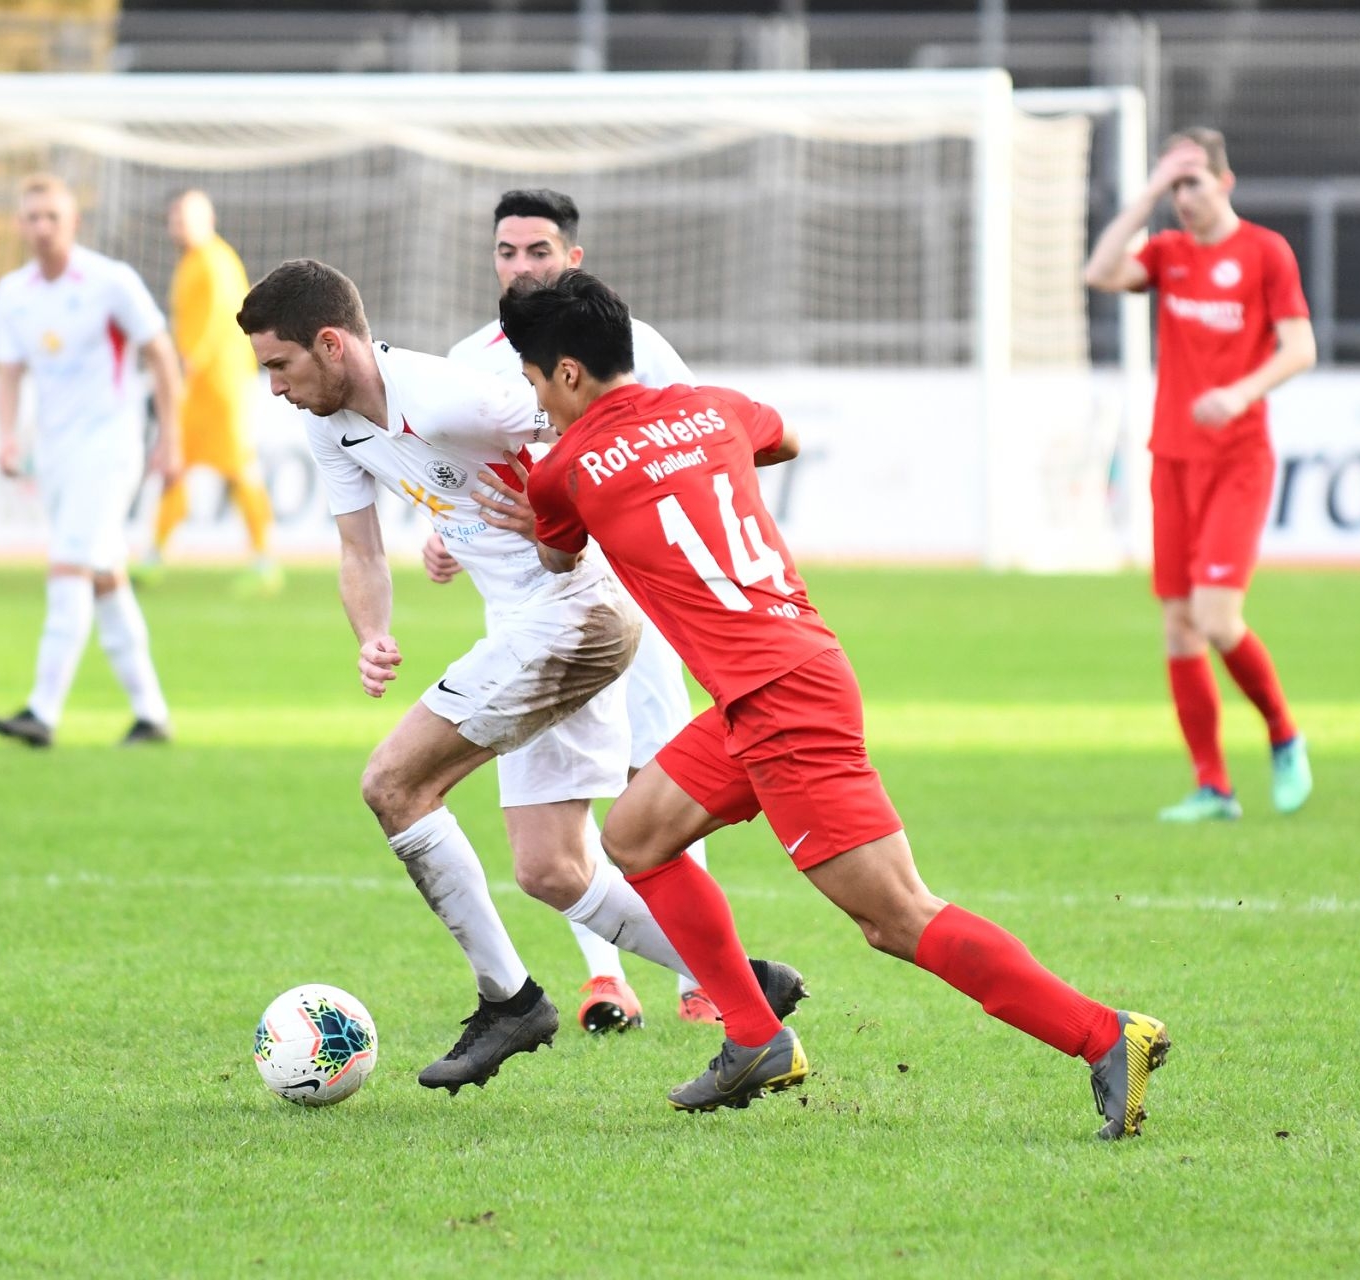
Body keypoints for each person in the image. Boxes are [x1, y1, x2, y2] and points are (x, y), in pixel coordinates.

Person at [477, 270, 1167, 1134]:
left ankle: (1107, 1034)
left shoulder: (565, 469)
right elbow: (786, 440)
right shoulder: (715, 406)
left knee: (895, 915)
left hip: (779, 705)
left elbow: (555, 557)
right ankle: (755, 1037)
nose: (537, 402)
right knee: (634, 836)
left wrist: (529, 514)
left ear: (569, 372)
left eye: (536, 383)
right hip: (782, 676)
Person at [233, 259, 802, 1094]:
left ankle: (511, 1000)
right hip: (536, 626)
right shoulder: (333, 422)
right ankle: (741, 987)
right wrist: (373, 632)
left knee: (394, 784)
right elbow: (358, 547)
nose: (274, 388)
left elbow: (596, 420)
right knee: (552, 869)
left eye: (280, 366)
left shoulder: (453, 396)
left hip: (573, 610)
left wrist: (556, 502)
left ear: (331, 344)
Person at [437, 188, 717, 1032]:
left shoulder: (633, 347)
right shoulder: (465, 360)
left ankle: (697, 979)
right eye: (507, 252)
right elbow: (457, 474)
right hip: (528, 612)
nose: (521, 267)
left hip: (629, 595)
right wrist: (445, 536)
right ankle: (605, 977)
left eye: (538, 252)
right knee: (561, 793)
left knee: (656, 776)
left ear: (572, 259)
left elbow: (692, 444)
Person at [1084, 126, 1316, 822]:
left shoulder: (1265, 252)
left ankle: (1282, 732)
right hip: (1173, 458)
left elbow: (1301, 345)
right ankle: (1213, 786)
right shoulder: (1168, 254)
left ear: (1225, 181)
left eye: (1192, 182)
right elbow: (1099, 272)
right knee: (1179, 626)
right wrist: (1147, 193)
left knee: (1218, 618)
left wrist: (1241, 393)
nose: (1183, 198)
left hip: (1238, 460)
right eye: (1173, 186)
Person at [0, 173, 180, 749]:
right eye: (32, 217)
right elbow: (9, 372)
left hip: (111, 443)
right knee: (103, 577)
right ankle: (151, 712)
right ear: (19, 225)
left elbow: (161, 355)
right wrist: (5, 436)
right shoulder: (12, 294)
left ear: (73, 223)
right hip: (57, 452)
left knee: (68, 564)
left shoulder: (110, 281)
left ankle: (42, 713)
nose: (42, 227)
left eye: (53, 217)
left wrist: (172, 437)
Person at [145, 190, 282, 594]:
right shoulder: (190, 263)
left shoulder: (214, 261)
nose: (178, 226)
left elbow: (220, 320)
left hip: (221, 386)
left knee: (239, 468)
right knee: (174, 465)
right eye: (174, 219)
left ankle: (264, 560)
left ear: (207, 219)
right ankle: (154, 554)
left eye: (185, 218)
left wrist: (186, 365)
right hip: (198, 386)